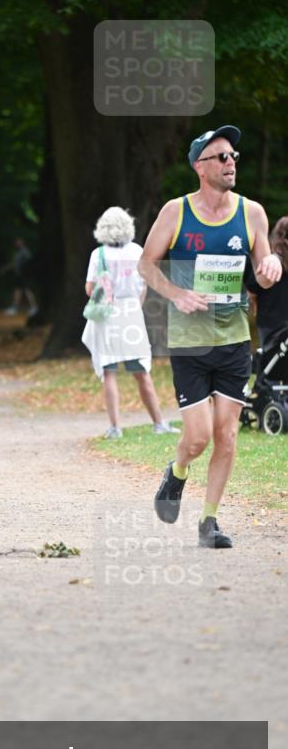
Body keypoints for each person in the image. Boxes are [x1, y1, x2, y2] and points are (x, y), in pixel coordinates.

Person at [139, 125, 283, 548]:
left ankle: (209, 521)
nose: (230, 162)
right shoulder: (176, 212)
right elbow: (146, 265)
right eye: (221, 157)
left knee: (228, 434)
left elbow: (262, 273)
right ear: (200, 167)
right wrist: (177, 294)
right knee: (199, 436)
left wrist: (272, 266)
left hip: (234, 338)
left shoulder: (252, 213)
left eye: (233, 155)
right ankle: (177, 471)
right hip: (190, 340)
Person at [82, 207, 179, 439]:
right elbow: (143, 285)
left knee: (109, 372)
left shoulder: (98, 254)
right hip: (131, 315)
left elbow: (90, 289)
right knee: (141, 372)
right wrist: (135, 306)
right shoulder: (137, 251)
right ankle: (158, 422)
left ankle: (115, 427)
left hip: (107, 315)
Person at [245, 215, 288, 347]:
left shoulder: (264, 260)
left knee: (271, 357)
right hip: (274, 323)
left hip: (269, 323)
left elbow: (251, 290)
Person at [1, 238, 38, 317]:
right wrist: (5, 269)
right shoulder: (16, 253)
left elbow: (31, 262)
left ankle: (34, 307)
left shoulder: (25, 252)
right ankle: (14, 308)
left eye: (19, 242)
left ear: (22, 242)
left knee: (27, 290)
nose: (17, 243)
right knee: (18, 291)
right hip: (18, 275)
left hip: (25, 275)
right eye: (16, 242)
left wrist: (27, 272)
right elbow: (13, 263)